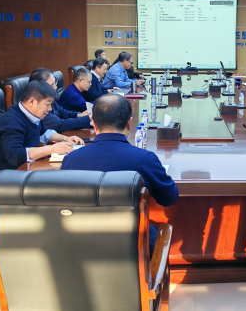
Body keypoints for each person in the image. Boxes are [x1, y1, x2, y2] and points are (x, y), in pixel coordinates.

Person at [61, 94, 178, 256]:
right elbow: (169, 198)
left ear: (94, 123)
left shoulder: (71, 160)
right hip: (131, 243)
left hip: (81, 242)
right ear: (129, 122)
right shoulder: (144, 159)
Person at [0, 80, 84, 174]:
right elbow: (14, 155)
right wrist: (52, 149)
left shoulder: (32, 114)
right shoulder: (11, 122)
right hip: (2, 176)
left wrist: (66, 139)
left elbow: (44, 133)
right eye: (47, 104)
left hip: (25, 168)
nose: (49, 109)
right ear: (32, 101)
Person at [29, 68, 91, 133]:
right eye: (52, 85)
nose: (56, 87)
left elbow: (61, 112)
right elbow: (59, 124)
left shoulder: (49, 98)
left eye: (55, 83)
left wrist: (79, 115)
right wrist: (87, 119)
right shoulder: (38, 106)